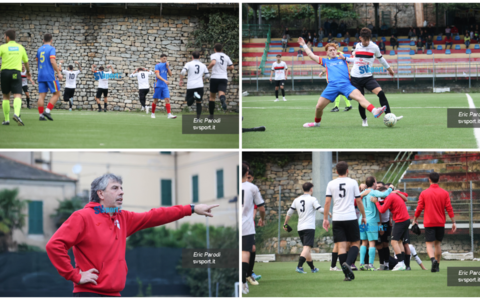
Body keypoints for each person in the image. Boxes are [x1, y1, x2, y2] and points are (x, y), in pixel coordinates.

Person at [46, 173, 218, 297]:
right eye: (115, 188)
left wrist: (192, 208)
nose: (121, 192)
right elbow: (54, 245)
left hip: (115, 294)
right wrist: (75, 275)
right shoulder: (82, 217)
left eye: (121, 188)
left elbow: (155, 215)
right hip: (89, 294)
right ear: (100, 194)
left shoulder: (122, 217)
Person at [299, 38, 386, 128]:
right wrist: (304, 45)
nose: (333, 51)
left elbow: (356, 57)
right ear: (327, 53)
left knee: (360, 97)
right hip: (332, 87)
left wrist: (360, 47)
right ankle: (317, 123)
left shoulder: (344, 58)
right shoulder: (325, 61)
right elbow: (311, 55)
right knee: (318, 107)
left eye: (334, 50)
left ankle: (374, 111)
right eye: (330, 50)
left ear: (337, 51)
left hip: (346, 85)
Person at [346, 28, 402, 127]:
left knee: (381, 93)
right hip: (355, 77)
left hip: (368, 77)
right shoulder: (357, 46)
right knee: (361, 99)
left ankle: (389, 116)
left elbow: (381, 59)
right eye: (364, 40)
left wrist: (389, 69)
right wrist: (346, 58)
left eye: (368, 39)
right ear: (360, 38)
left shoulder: (374, 47)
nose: (366, 42)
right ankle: (364, 120)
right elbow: (355, 59)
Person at [323, 161, 367, 281]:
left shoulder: (331, 183)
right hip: (350, 217)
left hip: (337, 218)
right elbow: (358, 201)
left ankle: (347, 275)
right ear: (347, 171)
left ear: (336, 172)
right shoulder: (353, 182)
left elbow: (327, 202)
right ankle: (348, 263)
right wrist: (363, 216)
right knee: (356, 243)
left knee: (341, 247)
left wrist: (325, 218)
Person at [413, 172, 456, 273]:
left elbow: (419, 208)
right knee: (437, 244)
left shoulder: (424, 193)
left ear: (429, 180)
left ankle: (433, 260)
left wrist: (415, 218)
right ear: (439, 180)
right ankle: (437, 265)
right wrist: (453, 222)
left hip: (429, 222)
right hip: (440, 222)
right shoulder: (445, 193)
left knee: (429, 244)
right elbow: (449, 208)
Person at [284, 182, 323, 274]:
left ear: (303, 189)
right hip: (309, 227)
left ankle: (313, 268)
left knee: (307, 249)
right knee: (306, 248)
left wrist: (285, 223)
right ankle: (299, 266)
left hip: (300, 227)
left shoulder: (297, 200)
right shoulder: (312, 199)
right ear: (311, 189)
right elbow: (320, 209)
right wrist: (328, 213)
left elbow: (289, 212)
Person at [357, 177, 393, 271]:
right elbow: (385, 194)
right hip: (371, 220)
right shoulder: (373, 192)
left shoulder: (362, 193)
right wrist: (390, 188)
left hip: (361, 219)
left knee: (364, 242)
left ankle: (361, 264)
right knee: (372, 242)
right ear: (373, 183)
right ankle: (370, 265)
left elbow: (356, 200)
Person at [371, 188, 410, 271]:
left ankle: (400, 263)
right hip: (406, 219)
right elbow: (406, 198)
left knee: (394, 241)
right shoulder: (394, 194)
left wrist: (376, 202)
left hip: (400, 220)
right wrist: (397, 193)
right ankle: (403, 263)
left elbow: (382, 210)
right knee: (399, 241)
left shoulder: (390, 197)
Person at [241, 163, 265, 294]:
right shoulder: (252, 188)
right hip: (246, 225)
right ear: (246, 173)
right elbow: (262, 208)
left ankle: (247, 276)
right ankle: (243, 282)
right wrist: (263, 218)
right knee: (245, 252)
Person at [0, 29, 31, 126]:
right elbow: (26, 62)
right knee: (17, 95)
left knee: (6, 96)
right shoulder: (20, 47)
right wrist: (28, 72)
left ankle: (6, 120)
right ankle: (16, 114)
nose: (4, 38)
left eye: (4, 36)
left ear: (7, 37)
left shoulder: (2, 47)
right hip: (15, 73)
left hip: (4, 73)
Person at [36, 33, 63, 121]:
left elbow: (38, 62)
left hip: (41, 74)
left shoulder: (39, 50)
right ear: (51, 40)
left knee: (41, 96)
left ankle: (41, 116)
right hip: (50, 75)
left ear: (43, 40)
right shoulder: (51, 48)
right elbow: (52, 60)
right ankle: (47, 111)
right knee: (56, 94)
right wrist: (58, 72)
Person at [179, 50, 210, 120]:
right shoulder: (203, 65)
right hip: (200, 85)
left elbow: (183, 71)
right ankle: (198, 118)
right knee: (198, 102)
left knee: (189, 103)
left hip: (191, 86)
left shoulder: (189, 64)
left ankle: (193, 96)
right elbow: (207, 75)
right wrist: (203, 78)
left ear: (192, 57)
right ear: (199, 57)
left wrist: (181, 80)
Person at [207, 43, 234, 117]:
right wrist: (225, 68)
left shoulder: (214, 55)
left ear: (214, 49)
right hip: (223, 78)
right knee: (221, 94)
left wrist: (207, 68)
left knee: (212, 97)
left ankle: (211, 115)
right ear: (222, 49)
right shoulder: (226, 56)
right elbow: (232, 67)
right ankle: (222, 100)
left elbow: (213, 62)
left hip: (215, 77)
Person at [152, 54, 176, 119]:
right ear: (161, 59)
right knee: (155, 100)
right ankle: (153, 113)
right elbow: (157, 75)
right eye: (164, 58)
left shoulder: (167, 65)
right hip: (158, 85)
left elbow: (170, 74)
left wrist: (168, 67)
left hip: (165, 86)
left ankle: (169, 114)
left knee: (167, 99)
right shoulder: (157, 65)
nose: (165, 60)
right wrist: (165, 80)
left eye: (166, 58)